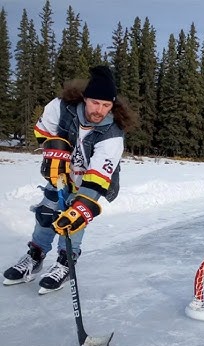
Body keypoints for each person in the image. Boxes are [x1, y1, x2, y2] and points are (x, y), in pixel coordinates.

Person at [3, 65, 135, 294]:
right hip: (61, 170)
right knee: (46, 211)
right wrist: (54, 152)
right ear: (85, 98)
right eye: (95, 102)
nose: (100, 110)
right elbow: (42, 132)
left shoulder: (113, 133)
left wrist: (82, 205)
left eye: (106, 105)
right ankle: (35, 256)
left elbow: (98, 176)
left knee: (74, 218)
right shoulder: (60, 107)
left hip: (92, 178)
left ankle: (66, 262)